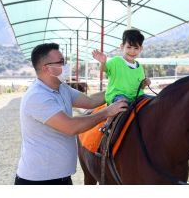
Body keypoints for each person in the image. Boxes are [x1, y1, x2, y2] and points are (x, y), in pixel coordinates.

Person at [15, 43, 128, 185]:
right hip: (39, 180)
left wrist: (121, 91)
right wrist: (107, 112)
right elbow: (71, 127)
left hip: (62, 177)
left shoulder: (62, 88)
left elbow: (91, 101)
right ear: (46, 68)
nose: (66, 65)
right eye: (61, 62)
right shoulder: (37, 96)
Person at [92, 29, 151, 105]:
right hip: (118, 96)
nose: (132, 51)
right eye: (129, 47)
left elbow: (140, 87)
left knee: (155, 102)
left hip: (137, 96)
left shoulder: (139, 67)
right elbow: (103, 69)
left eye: (136, 48)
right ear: (122, 46)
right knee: (122, 104)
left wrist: (144, 83)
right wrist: (103, 63)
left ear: (141, 49)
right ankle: (110, 116)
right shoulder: (116, 61)